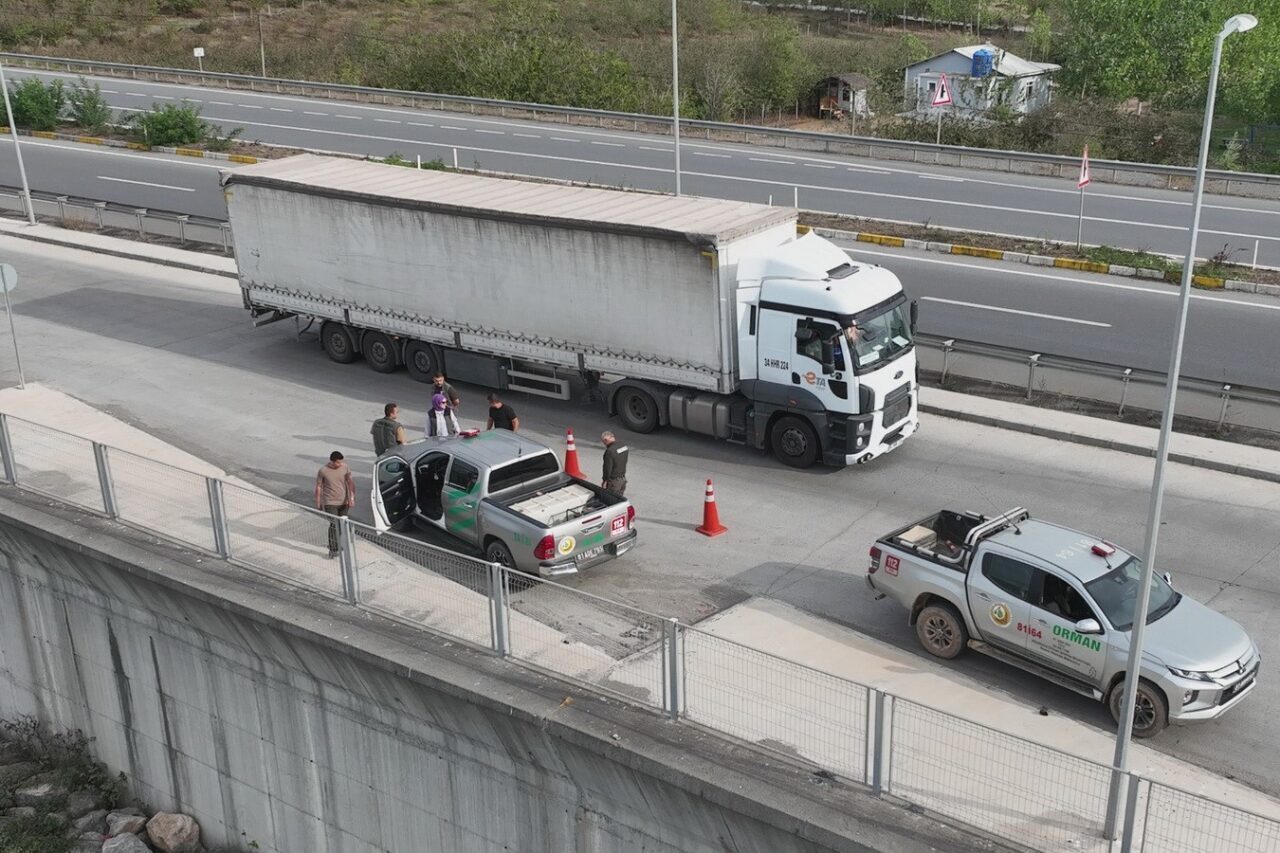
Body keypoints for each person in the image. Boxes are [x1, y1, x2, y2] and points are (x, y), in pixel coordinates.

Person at [315, 451, 355, 558]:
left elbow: (350, 481)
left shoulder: (345, 467)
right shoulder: (323, 471)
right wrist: (318, 502)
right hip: (330, 502)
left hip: (344, 502)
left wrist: (351, 497)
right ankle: (333, 549)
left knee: (341, 525)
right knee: (334, 524)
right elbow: (319, 486)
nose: (340, 464)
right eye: (338, 462)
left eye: (341, 462)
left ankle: (337, 544)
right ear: (332, 461)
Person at [600, 431, 628, 496]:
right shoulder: (623, 446)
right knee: (619, 499)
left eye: (603, 442)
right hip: (623, 479)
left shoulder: (609, 451)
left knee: (611, 500)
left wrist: (605, 480)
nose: (604, 444)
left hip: (614, 482)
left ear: (606, 440)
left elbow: (607, 468)